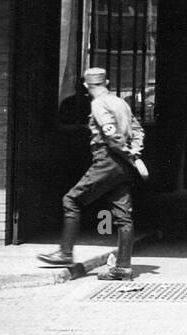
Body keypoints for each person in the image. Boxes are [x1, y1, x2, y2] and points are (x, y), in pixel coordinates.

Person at [37, 67, 145, 281]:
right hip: (124, 165)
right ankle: (123, 267)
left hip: (107, 160)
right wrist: (134, 153)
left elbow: (110, 133)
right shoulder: (121, 102)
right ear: (108, 82)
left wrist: (125, 151)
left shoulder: (98, 104)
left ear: (87, 86)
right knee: (124, 217)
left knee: (71, 200)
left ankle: (65, 253)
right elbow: (138, 129)